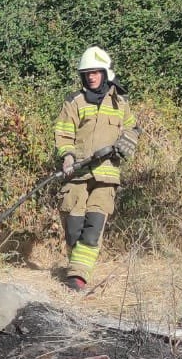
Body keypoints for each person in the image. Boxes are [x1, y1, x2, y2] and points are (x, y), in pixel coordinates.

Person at [53, 45, 140, 291]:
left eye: (95, 72)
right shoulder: (74, 102)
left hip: (107, 175)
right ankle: (75, 266)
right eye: (86, 73)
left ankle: (77, 278)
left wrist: (129, 141)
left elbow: (133, 128)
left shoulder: (120, 104)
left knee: (93, 229)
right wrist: (68, 157)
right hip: (78, 174)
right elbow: (63, 133)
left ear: (105, 73)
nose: (91, 76)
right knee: (73, 228)